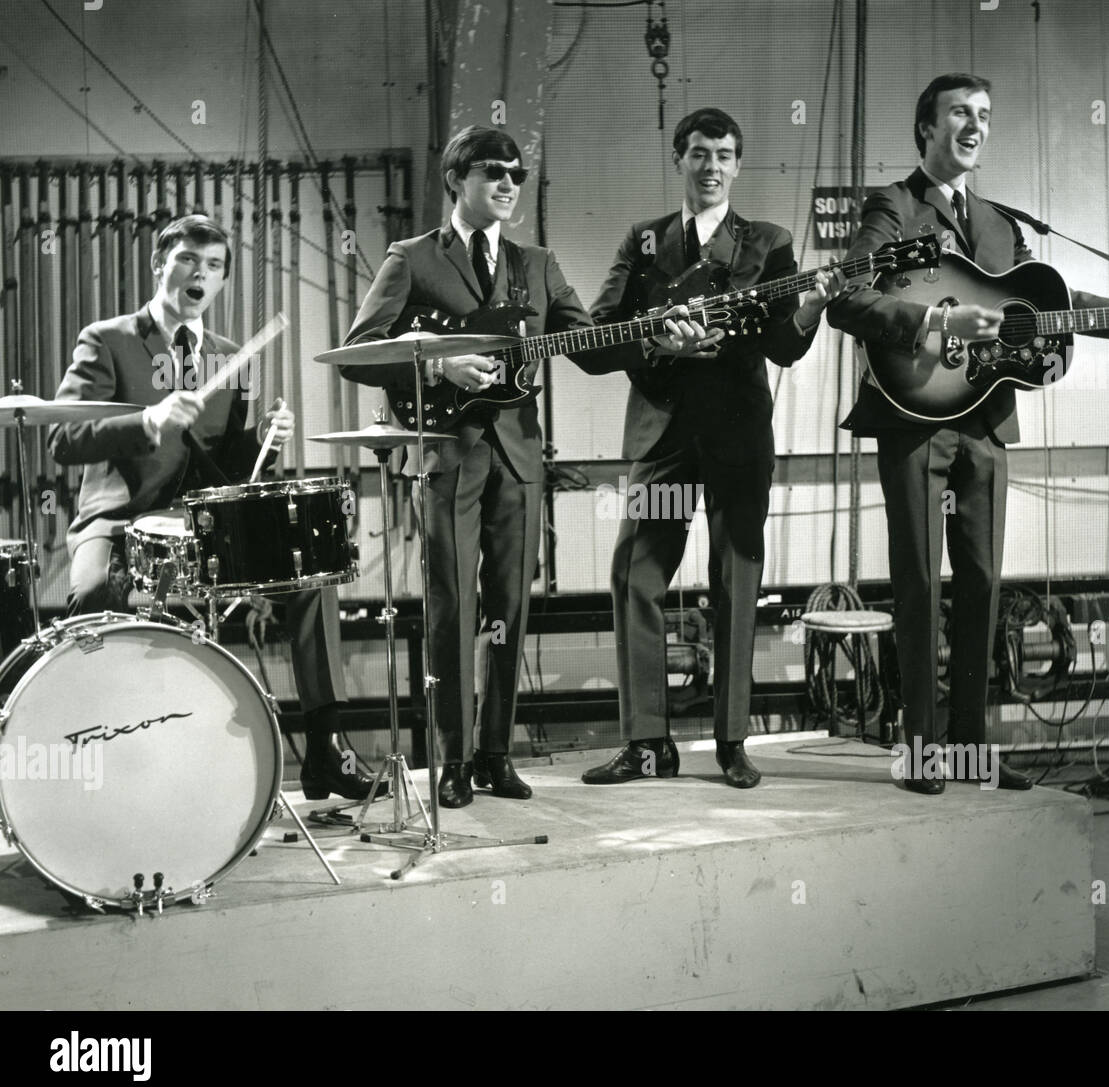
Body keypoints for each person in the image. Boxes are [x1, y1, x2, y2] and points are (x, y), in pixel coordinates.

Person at [826, 73, 1109, 794]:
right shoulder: (894, 205)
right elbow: (848, 297)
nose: (976, 127)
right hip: (912, 419)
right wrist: (935, 321)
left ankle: (970, 750)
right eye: (960, 114)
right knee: (917, 583)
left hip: (986, 424)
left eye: (985, 116)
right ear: (925, 128)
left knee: (982, 585)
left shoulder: (1003, 223)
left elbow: (1057, 303)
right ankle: (919, 748)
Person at [342, 125, 685, 809]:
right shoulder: (411, 258)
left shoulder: (538, 264)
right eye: (492, 171)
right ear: (454, 179)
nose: (507, 183)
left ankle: (496, 754)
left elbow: (586, 344)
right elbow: (357, 351)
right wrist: (436, 360)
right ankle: (451, 759)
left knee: (508, 609)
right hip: (446, 454)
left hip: (519, 458)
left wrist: (652, 331)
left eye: (517, 174)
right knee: (451, 610)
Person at [48, 214, 381, 802]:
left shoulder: (230, 357)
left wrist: (266, 443)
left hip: (202, 528)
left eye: (214, 266)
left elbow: (228, 472)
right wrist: (145, 421)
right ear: (159, 266)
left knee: (311, 574)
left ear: (222, 280)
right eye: (187, 261)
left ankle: (327, 749)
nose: (199, 275)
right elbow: (63, 440)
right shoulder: (108, 339)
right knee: (95, 590)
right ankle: (97, 743)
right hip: (119, 521)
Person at [578, 107, 844, 790]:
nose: (712, 166)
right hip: (664, 435)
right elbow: (597, 338)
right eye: (700, 153)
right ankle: (645, 743)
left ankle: (732, 743)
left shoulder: (768, 243)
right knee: (634, 578)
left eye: (725, 154)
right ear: (679, 159)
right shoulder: (643, 243)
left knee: (736, 581)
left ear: (738, 164)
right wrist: (657, 340)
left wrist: (812, 306)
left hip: (736, 436)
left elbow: (784, 343)